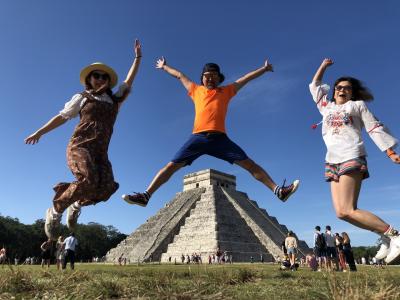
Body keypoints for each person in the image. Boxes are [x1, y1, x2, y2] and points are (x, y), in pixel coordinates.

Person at [122, 57, 299, 206]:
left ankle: (278, 191)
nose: (210, 79)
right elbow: (179, 76)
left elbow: (245, 79)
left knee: (250, 165)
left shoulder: (227, 91)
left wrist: (263, 69)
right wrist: (164, 67)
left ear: (219, 78)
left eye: (214, 76)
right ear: (202, 78)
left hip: (220, 139)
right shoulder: (195, 90)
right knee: (170, 167)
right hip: (197, 138)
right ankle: (146, 196)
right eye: (207, 76)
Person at [25, 40, 142, 240]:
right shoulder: (82, 97)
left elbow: (128, 83)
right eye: (96, 75)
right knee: (88, 179)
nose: (100, 79)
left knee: (106, 187)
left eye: (104, 76)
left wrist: (138, 59)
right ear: (89, 78)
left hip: (100, 152)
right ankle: (55, 211)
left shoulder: (115, 101)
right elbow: (62, 117)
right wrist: (39, 132)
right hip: (80, 146)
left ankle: (76, 205)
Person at [309, 58, 400, 264]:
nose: (342, 90)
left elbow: (373, 127)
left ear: (352, 93)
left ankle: (395, 235)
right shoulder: (326, 108)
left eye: (347, 88)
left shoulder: (357, 106)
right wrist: (323, 66)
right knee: (342, 213)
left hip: (351, 154)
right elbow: (315, 86)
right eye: (339, 87)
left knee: (349, 208)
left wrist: (389, 152)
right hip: (331, 161)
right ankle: (385, 236)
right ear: (333, 91)